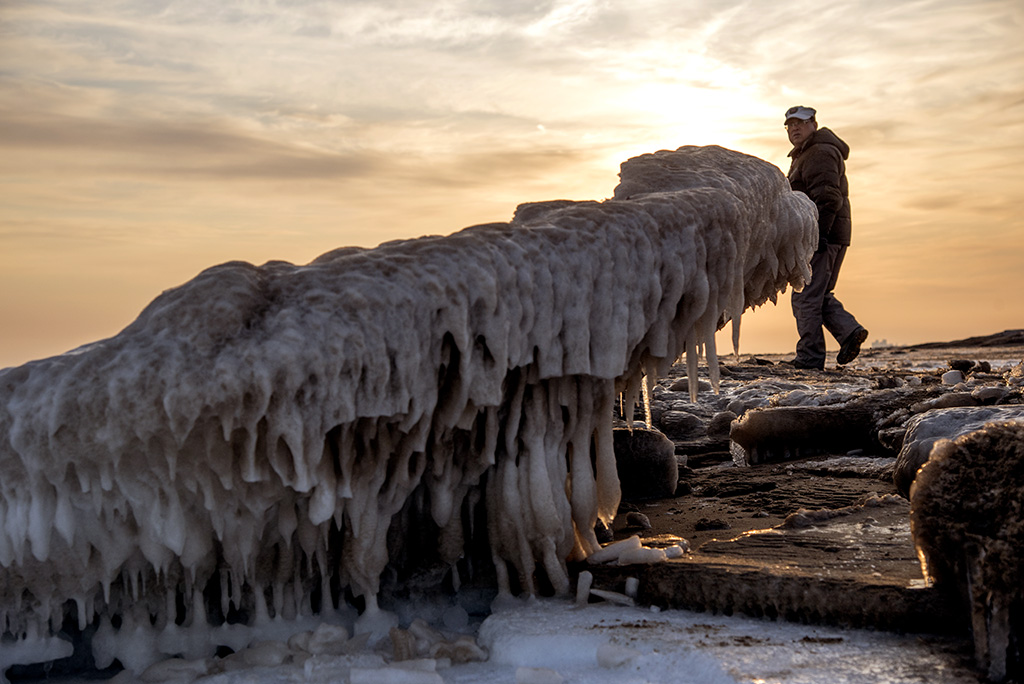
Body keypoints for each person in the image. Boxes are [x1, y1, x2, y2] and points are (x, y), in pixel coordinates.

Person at [783, 105, 868, 370]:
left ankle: (809, 358)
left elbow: (828, 196)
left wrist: (817, 235)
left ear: (814, 124)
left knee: (805, 296)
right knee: (818, 294)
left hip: (824, 234)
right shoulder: (811, 152)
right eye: (789, 125)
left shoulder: (818, 152)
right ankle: (848, 331)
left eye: (800, 123)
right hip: (832, 233)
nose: (794, 128)